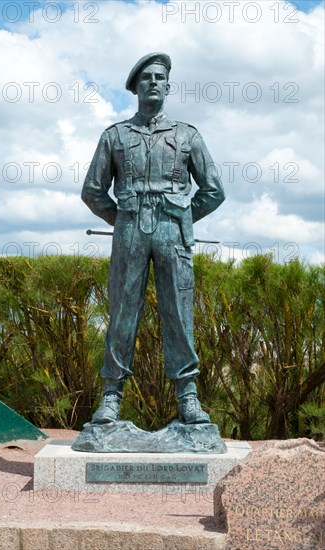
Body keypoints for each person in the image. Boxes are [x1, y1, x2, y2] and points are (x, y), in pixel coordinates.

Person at [82, 52, 225, 425]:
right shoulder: (114, 136)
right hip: (129, 231)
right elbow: (93, 191)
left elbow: (213, 190)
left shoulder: (187, 135)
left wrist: (181, 220)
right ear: (135, 87)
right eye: (146, 77)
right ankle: (111, 396)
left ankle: (188, 395)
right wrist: (123, 218)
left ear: (168, 85)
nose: (154, 82)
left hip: (173, 233)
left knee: (178, 314)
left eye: (160, 77)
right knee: (122, 313)